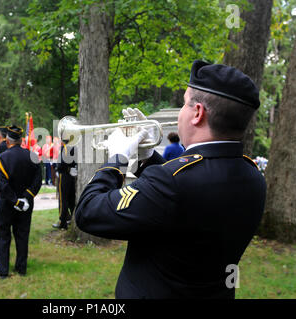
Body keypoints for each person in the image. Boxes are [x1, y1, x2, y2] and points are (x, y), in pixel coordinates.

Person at [75, 60, 266, 299]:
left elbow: (88, 212)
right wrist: (147, 156)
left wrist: (117, 158)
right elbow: (177, 203)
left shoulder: (173, 183)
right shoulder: (254, 177)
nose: (180, 113)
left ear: (197, 113)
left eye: (184, 104)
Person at [0, 125, 42, 278]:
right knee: (22, 236)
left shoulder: (1, 159)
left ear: (7, 141)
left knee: (3, 236)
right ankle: (21, 268)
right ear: (21, 141)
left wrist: (15, 201)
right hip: (26, 204)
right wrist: (26, 197)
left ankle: (3, 270)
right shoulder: (33, 156)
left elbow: (2, 185)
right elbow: (37, 181)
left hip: (6, 204)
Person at [52, 143, 77, 230]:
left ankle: (62, 221)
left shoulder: (66, 145)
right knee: (71, 198)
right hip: (72, 174)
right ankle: (73, 219)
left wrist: (57, 169)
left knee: (63, 199)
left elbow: (62, 161)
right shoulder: (75, 144)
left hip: (65, 174)